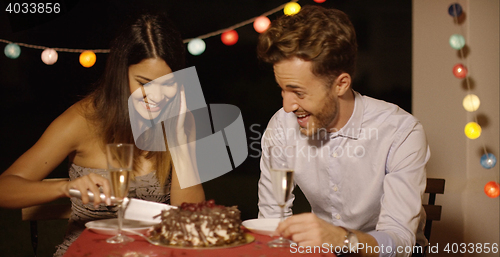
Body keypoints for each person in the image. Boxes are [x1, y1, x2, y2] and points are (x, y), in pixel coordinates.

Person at [0, 12, 205, 256]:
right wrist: (66, 188)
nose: (158, 97)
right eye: (144, 83)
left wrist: (181, 140)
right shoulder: (83, 120)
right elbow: (5, 188)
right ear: (120, 73)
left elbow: (191, 218)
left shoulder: (179, 118)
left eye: (168, 84)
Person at [256, 6, 429, 257]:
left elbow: (400, 241)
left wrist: (341, 239)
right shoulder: (281, 126)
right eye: (282, 89)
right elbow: (272, 219)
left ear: (341, 84)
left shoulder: (401, 131)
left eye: (299, 92)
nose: (287, 106)